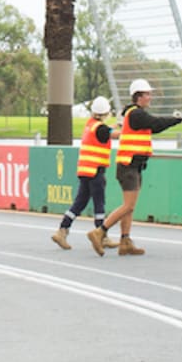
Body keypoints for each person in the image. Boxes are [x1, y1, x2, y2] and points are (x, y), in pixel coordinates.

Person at [87, 79, 182, 257]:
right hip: (128, 165)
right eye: (148, 94)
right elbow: (156, 123)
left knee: (130, 207)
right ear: (139, 96)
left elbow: (153, 128)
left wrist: (174, 120)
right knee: (128, 205)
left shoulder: (136, 115)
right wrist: (176, 119)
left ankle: (125, 241)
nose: (150, 97)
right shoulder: (136, 114)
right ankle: (100, 232)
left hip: (134, 165)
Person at [51, 96, 120, 251]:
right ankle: (102, 235)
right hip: (96, 171)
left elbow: (106, 130)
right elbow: (112, 134)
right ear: (106, 112)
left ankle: (62, 230)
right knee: (99, 204)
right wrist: (126, 129)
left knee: (80, 203)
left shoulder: (90, 125)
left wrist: (116, 124)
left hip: (85, 171)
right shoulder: (101, 129)